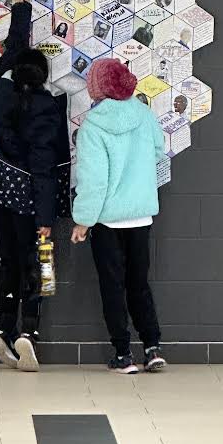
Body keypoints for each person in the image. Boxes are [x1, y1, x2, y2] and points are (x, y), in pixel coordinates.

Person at [0, 0, 70, 372]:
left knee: (10, 260)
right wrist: (46, 221)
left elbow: (14, 48)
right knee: (44, 263)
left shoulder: (1, 92)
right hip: (36, 203)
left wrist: (21, 6)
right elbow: (42, 168)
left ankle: (4, 328)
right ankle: (30, 332)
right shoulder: (46, 110)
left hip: (3, 198)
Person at [71, 58, 167, 375]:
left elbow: (94, 181)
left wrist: (83, 221)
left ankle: (123, 354)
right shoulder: (144, 114)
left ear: (96, 88)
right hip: (140, 216)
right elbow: (156, 151)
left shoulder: (93, 127)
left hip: (107, 220)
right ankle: (152, 347)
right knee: (139, 284)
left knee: (113, 286)